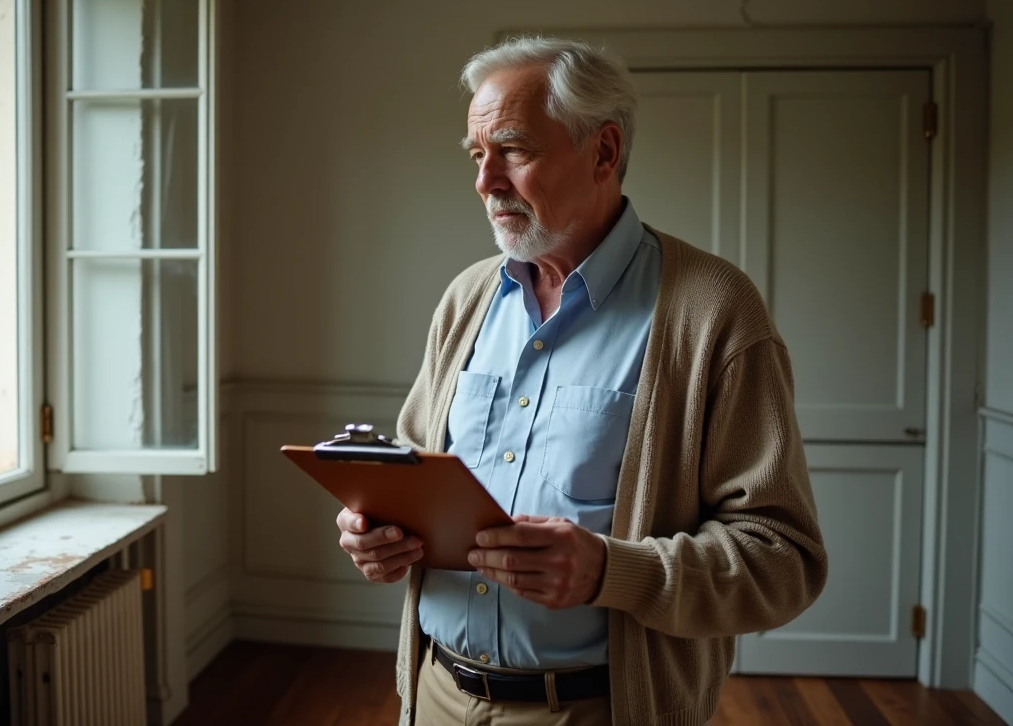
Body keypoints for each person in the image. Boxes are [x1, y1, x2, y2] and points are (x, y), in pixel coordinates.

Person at [335, 36, 828, 725]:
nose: (486, 181)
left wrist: (609, 571)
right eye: (478, 156)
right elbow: (413, 474)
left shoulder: (714, 309)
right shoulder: (466, 299)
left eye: (513, 150)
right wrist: (376, 531)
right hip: (435, 695)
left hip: (600, 709)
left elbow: (783, 561)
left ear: (603, 152)